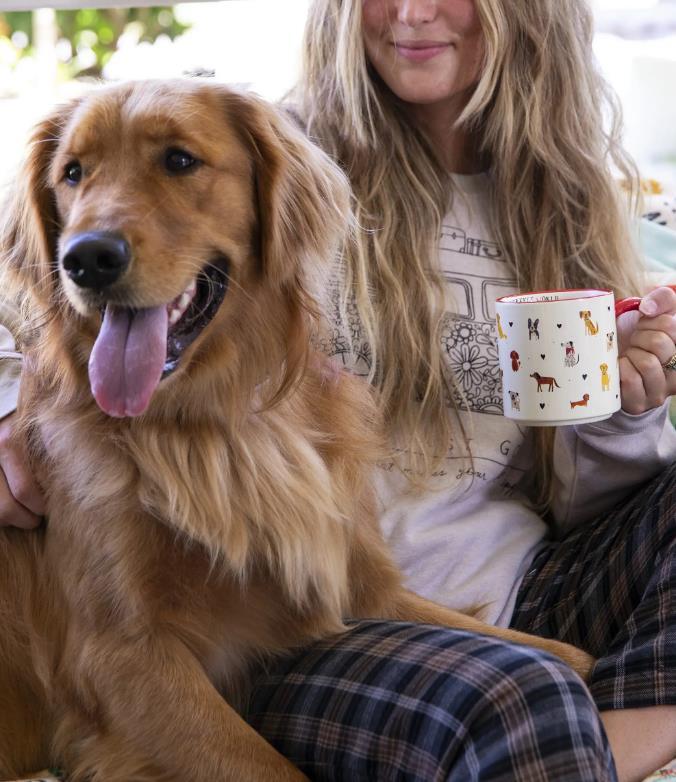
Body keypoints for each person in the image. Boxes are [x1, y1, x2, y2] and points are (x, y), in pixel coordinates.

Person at [1, 0, 676, 780]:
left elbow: (590, 500)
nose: (414, 12)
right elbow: (30, 303)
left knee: (542, 688)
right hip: (329, 624)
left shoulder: (571, 205)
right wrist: (13, 398)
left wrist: (625, 407)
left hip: (515, 582)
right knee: (525, 697)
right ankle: (544, 742)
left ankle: (588, 751)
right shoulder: (279, 142)